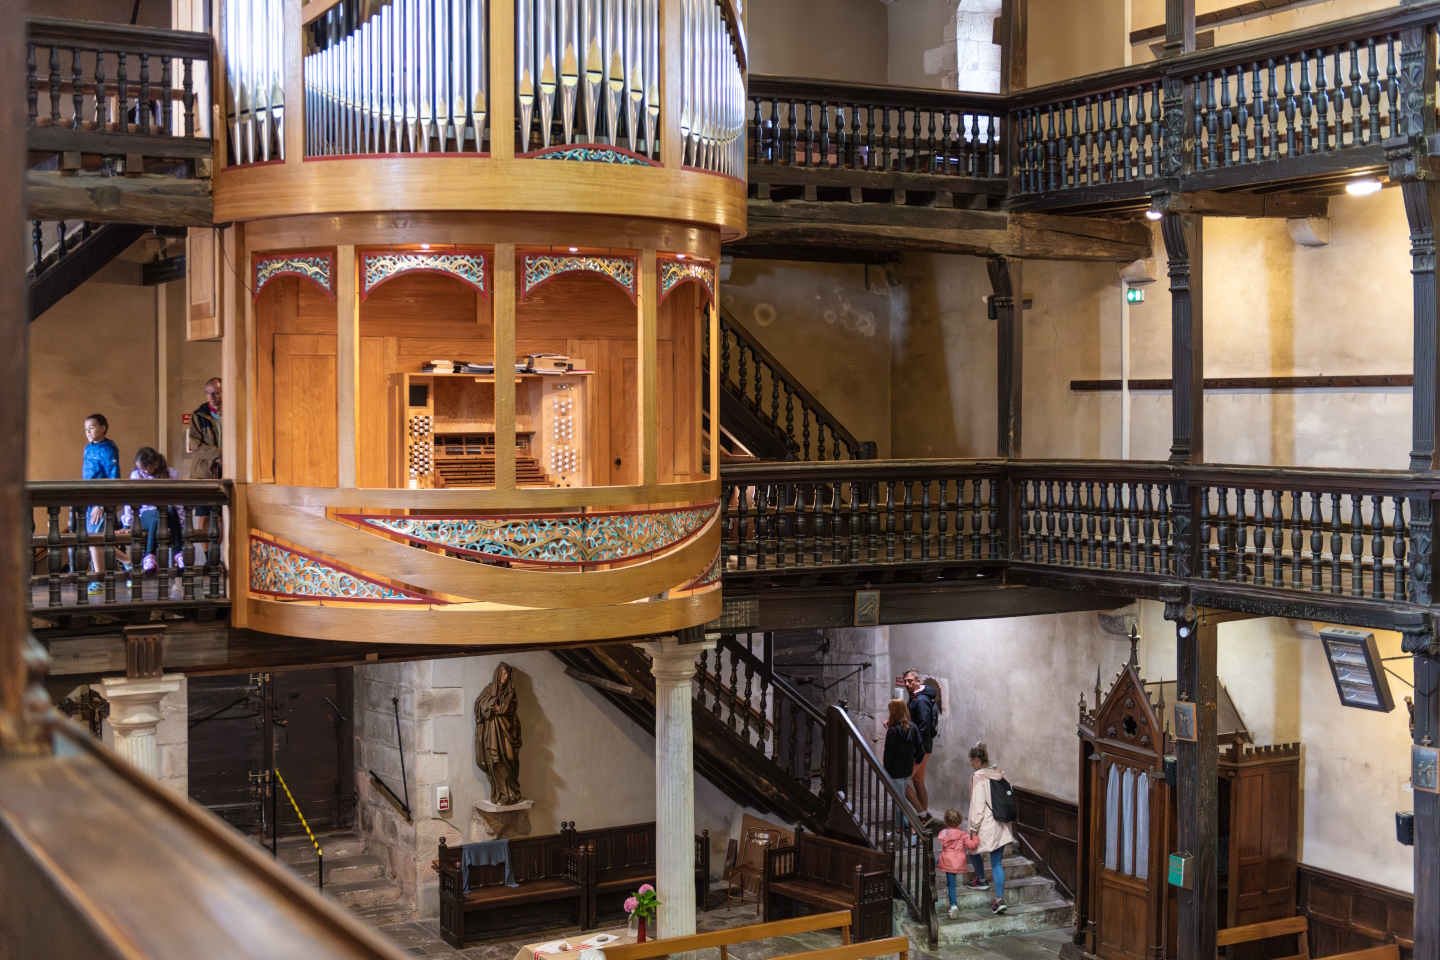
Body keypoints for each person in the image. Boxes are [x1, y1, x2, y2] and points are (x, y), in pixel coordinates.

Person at [966, 742, 1014, 915]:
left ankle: (981, 879)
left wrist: (973, 829)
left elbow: (978, 805)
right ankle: (999, 900)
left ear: (978, 760)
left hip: (985, 824)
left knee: (970, 849)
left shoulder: (978, 777)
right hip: (1000, 823)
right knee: (996, 863)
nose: (971, 765)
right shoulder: (998, 773)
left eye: (972, 761)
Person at [120, 448, 185, 573]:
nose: (142, 471)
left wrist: (182, 525)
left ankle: (179, 553)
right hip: (145, 515)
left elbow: (178, 502)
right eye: (139, 468)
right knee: (157, 513)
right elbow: (130, 501)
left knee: (171, 509)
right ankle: (149, 555)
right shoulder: (136, 476)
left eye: (144, 468)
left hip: (167, 514)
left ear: (155, 465)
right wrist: (128, 523)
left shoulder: (170, 474)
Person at [81, 414, 121, 594]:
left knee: (95, 540)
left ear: (103, 428)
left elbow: (112, 478)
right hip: (89, 500)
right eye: (86, 429)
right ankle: (128, 562)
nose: (88, 432)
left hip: (101, 500)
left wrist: (102, 504)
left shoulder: (108, 449)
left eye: (92, 427)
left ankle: (99, 579)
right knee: (95, 540)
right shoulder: (87, 449)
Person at [474, 662, 524, 805]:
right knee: (495, 762)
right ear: (498, 674)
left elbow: (510, 706)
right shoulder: (488, 690)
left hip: (508, 731)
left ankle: (512, 792)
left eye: (508, 673)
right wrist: (491, 704)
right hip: (492, 734)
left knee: (510, 759)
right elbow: (479, 703)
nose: (505, 676)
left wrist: (498, 707)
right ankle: (502, 793)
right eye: (503, 673)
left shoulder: (510, 692)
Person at [902, 669, 940, 820]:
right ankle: (924, 819)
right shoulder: (916, 697)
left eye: (910, 681)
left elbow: (923, 726)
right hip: (923, 748)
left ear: (918, 681)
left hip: (920, 748)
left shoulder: (921, 700)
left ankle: (922, 814)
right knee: (918, 781)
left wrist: (917, 749)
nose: (907, 684)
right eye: (905, 681)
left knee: (901, 781)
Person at [882, 698, 924, 833]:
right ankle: (901, 825)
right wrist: (917, 760)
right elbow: (919, 748)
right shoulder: (913, 727)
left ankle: (910, 824)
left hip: (895, 770)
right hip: (907, 768)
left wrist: (886, 769)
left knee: (899, 800)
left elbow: (889, 753)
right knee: (901, 798)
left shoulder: (893, 731)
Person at [188, 378, 222, 539]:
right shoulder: (199, 416)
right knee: (205, 516)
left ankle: (222, 555)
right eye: (208, 393)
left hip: (228, 471)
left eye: (216, 393)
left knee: (222, 517)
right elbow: (196, 446)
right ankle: (208, 556)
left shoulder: (234, 413)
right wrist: (219, 454)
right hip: (205, 471)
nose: (212, 397)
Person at [938, 809, 980, 919]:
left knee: (951, 882)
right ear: (960, 821)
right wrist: (976, 838)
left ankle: (953, 906)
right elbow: (970, 846)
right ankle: (948, 890)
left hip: (947, 860)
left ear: (946, 822)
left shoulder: (943, 833)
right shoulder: (962, 835)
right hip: (959, 861)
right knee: (952, 881)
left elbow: (941, 840)